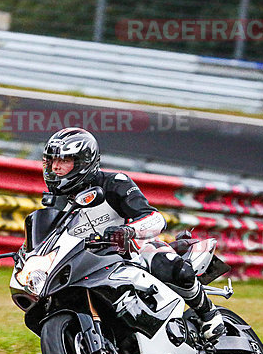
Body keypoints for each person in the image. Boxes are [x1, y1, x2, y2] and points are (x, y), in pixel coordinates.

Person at [41, 127, 225, 340]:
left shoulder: (114, 182)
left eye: (64, 160)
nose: (56, 167)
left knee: (159, 257)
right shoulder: (54, 202)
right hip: (92, 265)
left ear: (83, 162)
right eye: (51, 160)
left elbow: (156, 219)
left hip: (132, 255)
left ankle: (209, 314)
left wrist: (128, 230)